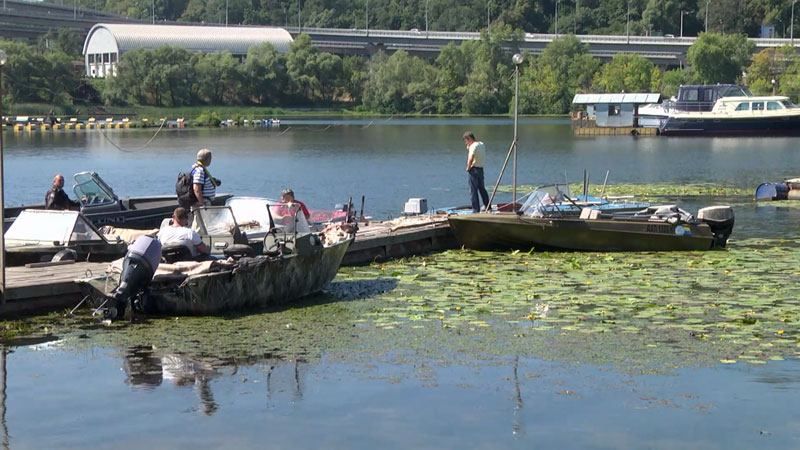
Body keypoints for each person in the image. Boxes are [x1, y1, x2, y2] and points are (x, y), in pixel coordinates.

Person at [463, 131, 490, 213]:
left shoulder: (473, 146)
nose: (465, 143)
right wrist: (469, 146)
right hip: (480, 169)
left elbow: (470, 158)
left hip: (473, 170)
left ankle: (475, 210)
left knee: (473, 190)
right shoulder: (481, 144)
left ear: (469, 139)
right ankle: (488, 206)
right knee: (482, 189)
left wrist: (468, 167)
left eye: (466, 141)